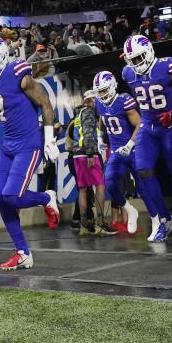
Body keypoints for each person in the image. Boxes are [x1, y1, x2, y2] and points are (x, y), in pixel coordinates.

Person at [0, 35, 60, 270]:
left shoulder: (17, 72)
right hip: (8, 146)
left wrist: (49, 140)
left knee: (12, 196)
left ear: (1, 56)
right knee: (1, 198)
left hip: (28, 143)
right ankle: (23, 253)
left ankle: (47, 198)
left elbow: (45, 103)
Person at [121, 34, 172, 246]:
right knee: (143, 172)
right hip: (147, 126)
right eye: (131, 60)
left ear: (149, 52)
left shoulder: (167, 66)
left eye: (138, 58)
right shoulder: (128, 73)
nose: (135, 64)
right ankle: (165, 219)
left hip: (169, 126)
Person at [92, 71, 146, 235]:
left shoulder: (124, 100)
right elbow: (102, 116)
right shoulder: (99, 103)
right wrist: (101, 137)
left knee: (143, 186)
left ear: (112, 86)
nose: (101, 94)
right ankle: (128, 212)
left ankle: (159, 218)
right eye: (99, 91)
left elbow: (140, 124)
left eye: (104, 90)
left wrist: (130, 143)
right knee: (111, 183)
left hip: (133, 147)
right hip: (116, 150)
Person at [69, 90, 110, 237]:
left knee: (83, 189)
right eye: (96, 100)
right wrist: (91, 154)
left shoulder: (78, 113)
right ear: (92, 100)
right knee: (100, 186)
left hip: (77, 154)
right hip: (88, 153)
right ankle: (100, 223)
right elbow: (88, 134)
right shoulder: (89, 112)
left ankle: (84, 225)